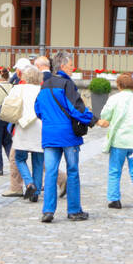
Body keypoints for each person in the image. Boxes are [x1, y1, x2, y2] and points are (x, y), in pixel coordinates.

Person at [35, 59, 94, 223]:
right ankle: (74, 210)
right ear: (62, 66)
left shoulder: (44, 85)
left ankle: (48, 211)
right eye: (70, 66)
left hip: (49, 134)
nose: (72, 69)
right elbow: (76, 108)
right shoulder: (67, 84)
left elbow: (38, 110)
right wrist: (93, 119)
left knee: (51, 173)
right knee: (73, 171)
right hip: (68, 134)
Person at [97, 73, 133, 211]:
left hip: (119, 141)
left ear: (118, 85)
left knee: (115, 170)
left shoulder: (114, 99)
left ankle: (114, 199)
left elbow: (105, 115)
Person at [11, 64, 45, 202]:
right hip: (39, 126)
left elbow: (9, 104)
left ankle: (29, 182)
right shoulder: (42, 90)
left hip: (23, 125)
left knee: (19, 158)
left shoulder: (18, 89)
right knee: (38, 161)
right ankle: (35, 193)